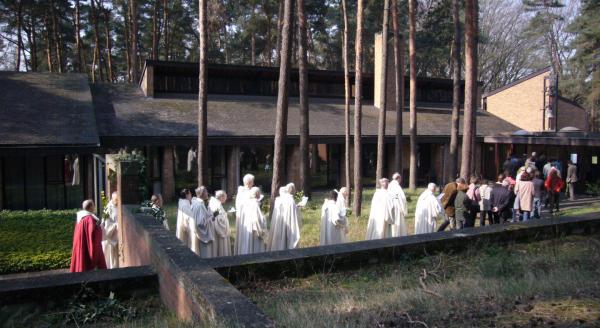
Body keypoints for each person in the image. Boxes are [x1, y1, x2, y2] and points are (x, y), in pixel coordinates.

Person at [70, 200, 107, 272]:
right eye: (93, 205)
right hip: (87, 246)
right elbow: (93, 235)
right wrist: (100, 228)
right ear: (90, 207)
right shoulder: (89, 219)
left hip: (81, 244)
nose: (94, 206)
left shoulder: (80, 217)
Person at [267, 184, 301, 251]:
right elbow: (292, 214)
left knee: (279, 239)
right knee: (286, 239)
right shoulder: (291, 200)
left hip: (278, 224)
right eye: (294, 190)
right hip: (288, 224)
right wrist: (297, 208)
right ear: (292, 190)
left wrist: (296, 207)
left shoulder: (279, 199)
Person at [236, 187, 268, 255]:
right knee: (255, 249)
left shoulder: (247, 203)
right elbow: (257, 220)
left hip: (248, 228)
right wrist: (264, 219)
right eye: (259, 192)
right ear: (257, 194)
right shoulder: (255, 204)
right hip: (255, 230)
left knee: (249, 246)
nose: (260, 194)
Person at [191, 186, 215, 258]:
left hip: (199, 234)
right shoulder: (199, 205)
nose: (207, 193)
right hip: (203, 236)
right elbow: (200, 223)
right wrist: (212, 217)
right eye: (206, 192)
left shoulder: (196, 203)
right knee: (205, 255)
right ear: (202, 194)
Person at [208, 190, 231, 257]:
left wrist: (224, 213)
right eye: (225, 197)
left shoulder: (214, 202)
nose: (225, 199)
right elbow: (218, 218)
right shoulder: (217, 204)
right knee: (220, 248)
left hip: (213, 229)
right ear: (221, 197)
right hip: (218, 231)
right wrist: (226, 214)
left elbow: (217, 215)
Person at [235, 174, 255, 250]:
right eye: (252, 182)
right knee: (246, 234)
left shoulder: (241, 192)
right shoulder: (247, 192)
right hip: (247, 217)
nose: (253, 183)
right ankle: (246, 249)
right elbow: (248, 205)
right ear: (249, 182)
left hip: (242, 216)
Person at [102, 192, 119, 269]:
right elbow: (106, 224)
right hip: (111, 238)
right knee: (111, 257)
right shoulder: (108, 208)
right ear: (112, 199)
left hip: (116, 235)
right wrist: (116, 225)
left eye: (118, 200)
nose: (117, 202)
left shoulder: (118, 205)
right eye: (116, 200)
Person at [389, 173, 408, 237]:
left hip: (390, 205)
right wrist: (403, 206)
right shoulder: (397, 186)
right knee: (398, 220)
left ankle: (392, 234)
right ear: (398, 178)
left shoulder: (390, 185)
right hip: (397, 205)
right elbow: (401, 197)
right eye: (400, 179)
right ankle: (398, 234)